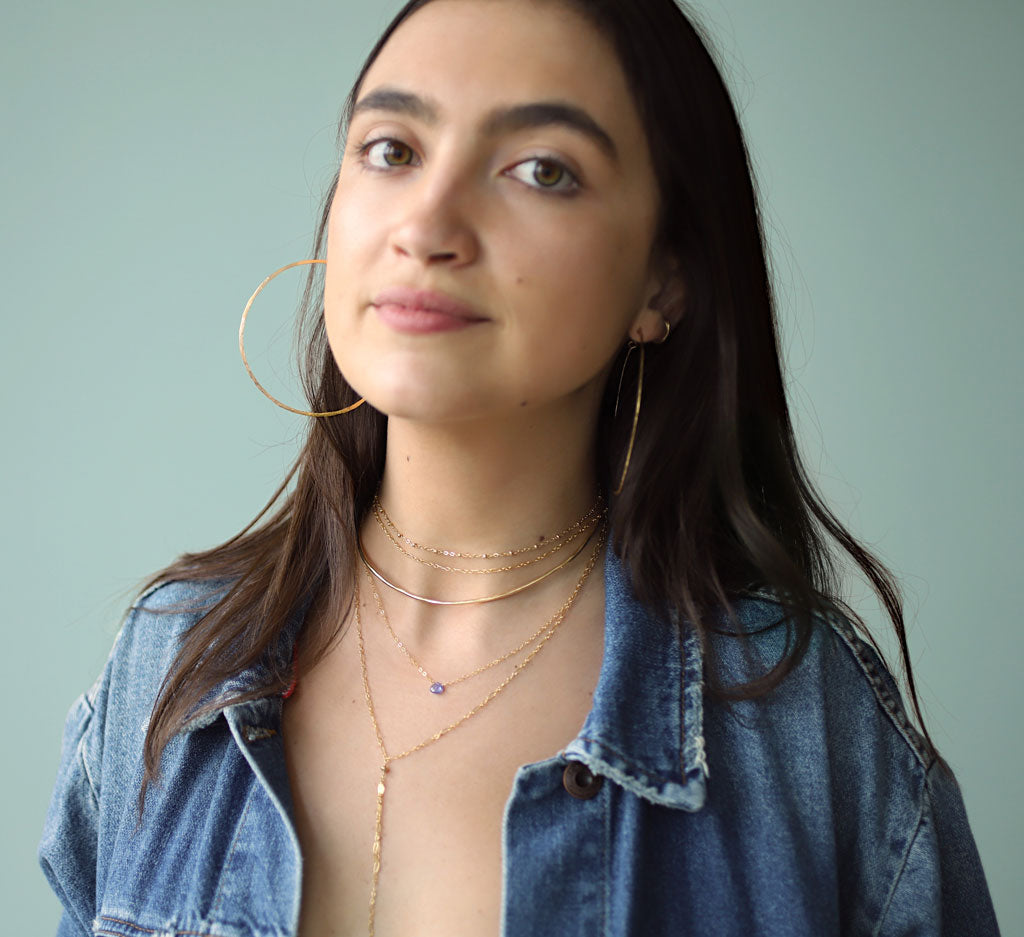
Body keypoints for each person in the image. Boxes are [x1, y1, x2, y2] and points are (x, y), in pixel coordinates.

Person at [39, 0, 1000, 935]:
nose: (428, 224)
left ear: (663, 278)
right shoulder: (169, 668)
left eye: (543, 169)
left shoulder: (806, 726)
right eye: (393, 150)